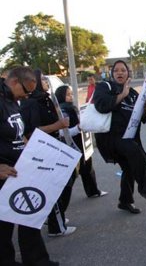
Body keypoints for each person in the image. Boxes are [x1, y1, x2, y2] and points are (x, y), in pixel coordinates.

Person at [0, 66, 59, 265]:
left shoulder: (13, 101)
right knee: (2, 228)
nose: (26, 97)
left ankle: (37, 260)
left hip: (18, 168)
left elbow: (19, 135)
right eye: (25, 91)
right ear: (15, 82)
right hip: (3, 171)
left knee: (30, 215)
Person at [93, 60, 146, 214]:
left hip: (129, 137)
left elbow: (139, 117)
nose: (120, 73)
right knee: (134, 152)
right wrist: (122, 95)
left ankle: (125, 201)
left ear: (128, 73)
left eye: (123, 70)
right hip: (111, 138)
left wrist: (144, 108)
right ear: (112, 73)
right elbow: (101, 106)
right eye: (116, 70)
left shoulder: (134, 93)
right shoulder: (104, 87)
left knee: (129, 169)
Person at [20, 69, 76, 237]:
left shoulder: (46, 99)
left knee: (67, 179)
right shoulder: (31, 103)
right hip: (43, 148)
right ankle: (56, 225)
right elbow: (30, 131)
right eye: (42, 79)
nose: (46, 81)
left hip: (55, 145)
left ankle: (54, 216)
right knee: (54, 185)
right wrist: (56, 126)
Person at [55, 84, 108, 198]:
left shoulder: (71, 108)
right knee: (72, 174)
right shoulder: (62, 111)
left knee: (88, 167)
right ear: (61, 96)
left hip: (82, 143)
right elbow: (62, 132)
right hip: (72, 146)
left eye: (71, 94)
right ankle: (60, 199)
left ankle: (93, 191)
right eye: (68, 94)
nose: (71, 97)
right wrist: (77, 128)